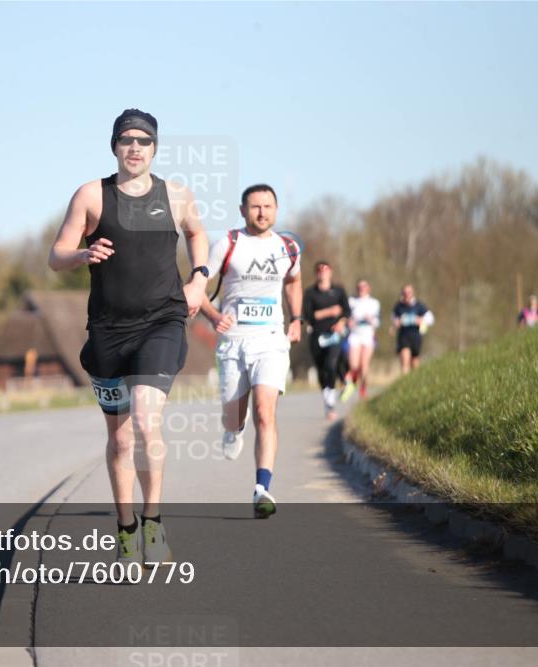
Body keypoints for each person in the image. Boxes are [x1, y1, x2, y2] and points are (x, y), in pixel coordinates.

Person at [49, 109, 209, 567]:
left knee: (145, 419)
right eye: (126, 140)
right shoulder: (91, 196)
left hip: (162, 321)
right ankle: (125, 528)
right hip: (107, 330)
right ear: (115, 146)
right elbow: (55, 255)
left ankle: (153, 522)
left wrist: (199, 278)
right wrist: (82, 253)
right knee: (120, 440)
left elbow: (198, 233)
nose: (134, 147)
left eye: (143, 140)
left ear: (155, 147)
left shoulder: (175, 196)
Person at [200, 184, 302, 518]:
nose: (262, 212)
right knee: (234, 417)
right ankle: (234, 429)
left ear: (277, 209)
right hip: (234, 342)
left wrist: (297, 318)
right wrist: (214, 316)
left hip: (271, 340)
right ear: (243, 210)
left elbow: (293, 281)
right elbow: (196, 287)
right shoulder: (228, 244)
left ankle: (262, 488)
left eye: (268, 206)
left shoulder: (288, 247)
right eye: (255, 206)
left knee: (265, 411)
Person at [302, 261, 350, 421]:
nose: (322, 272)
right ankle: (329, 404)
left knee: (331, 364)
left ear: (330, 272)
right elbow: (308, 316)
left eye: (325, 269)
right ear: (316, 273)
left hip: (334, 335)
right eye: (319, 270)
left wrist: (341, 322)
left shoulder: (339, 291)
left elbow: (347, 311)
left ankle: (339, 389)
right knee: (322, 371)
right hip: (317, 336)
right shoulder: (310, 293)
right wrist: (329, 311)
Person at [341, 279, 380, 400]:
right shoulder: (351, 301)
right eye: (359, 287)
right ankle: (351, 383)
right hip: (355, 335)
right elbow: (345, 318)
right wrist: (349, 322)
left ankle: (363, 389)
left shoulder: (374, 303)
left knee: (364, 365)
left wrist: (371, 320)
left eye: (364, 286)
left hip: (368, 335)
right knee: (354, 365)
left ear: (369, 288)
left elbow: (378, 322)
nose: (362, 289)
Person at [391, 284, 433, 374]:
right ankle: (404, 383)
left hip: (416, 335)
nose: (407, 294)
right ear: (402, 293)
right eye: (405, 292)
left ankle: (414, 382)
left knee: (414, 362)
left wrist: (421, 320)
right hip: (403, 335)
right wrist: (396, 324)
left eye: (409, 292)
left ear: (412, 293)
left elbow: (430, 319)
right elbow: (394, 319)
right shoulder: (398, 306)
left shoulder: (419, 305)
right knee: (404, 359)